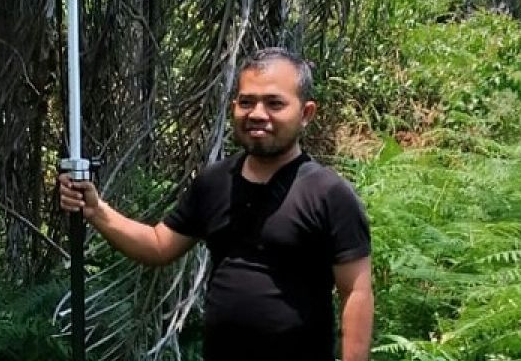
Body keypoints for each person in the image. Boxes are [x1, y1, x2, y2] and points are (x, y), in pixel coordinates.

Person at [58, 47, 374, 361]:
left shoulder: (329, 194)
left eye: (275, 104)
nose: (258, 114)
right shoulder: (215, 182)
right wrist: (96, 210)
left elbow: (356, 293)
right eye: (247, 102)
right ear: (234, 106)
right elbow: (158, 246)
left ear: (306, 114)